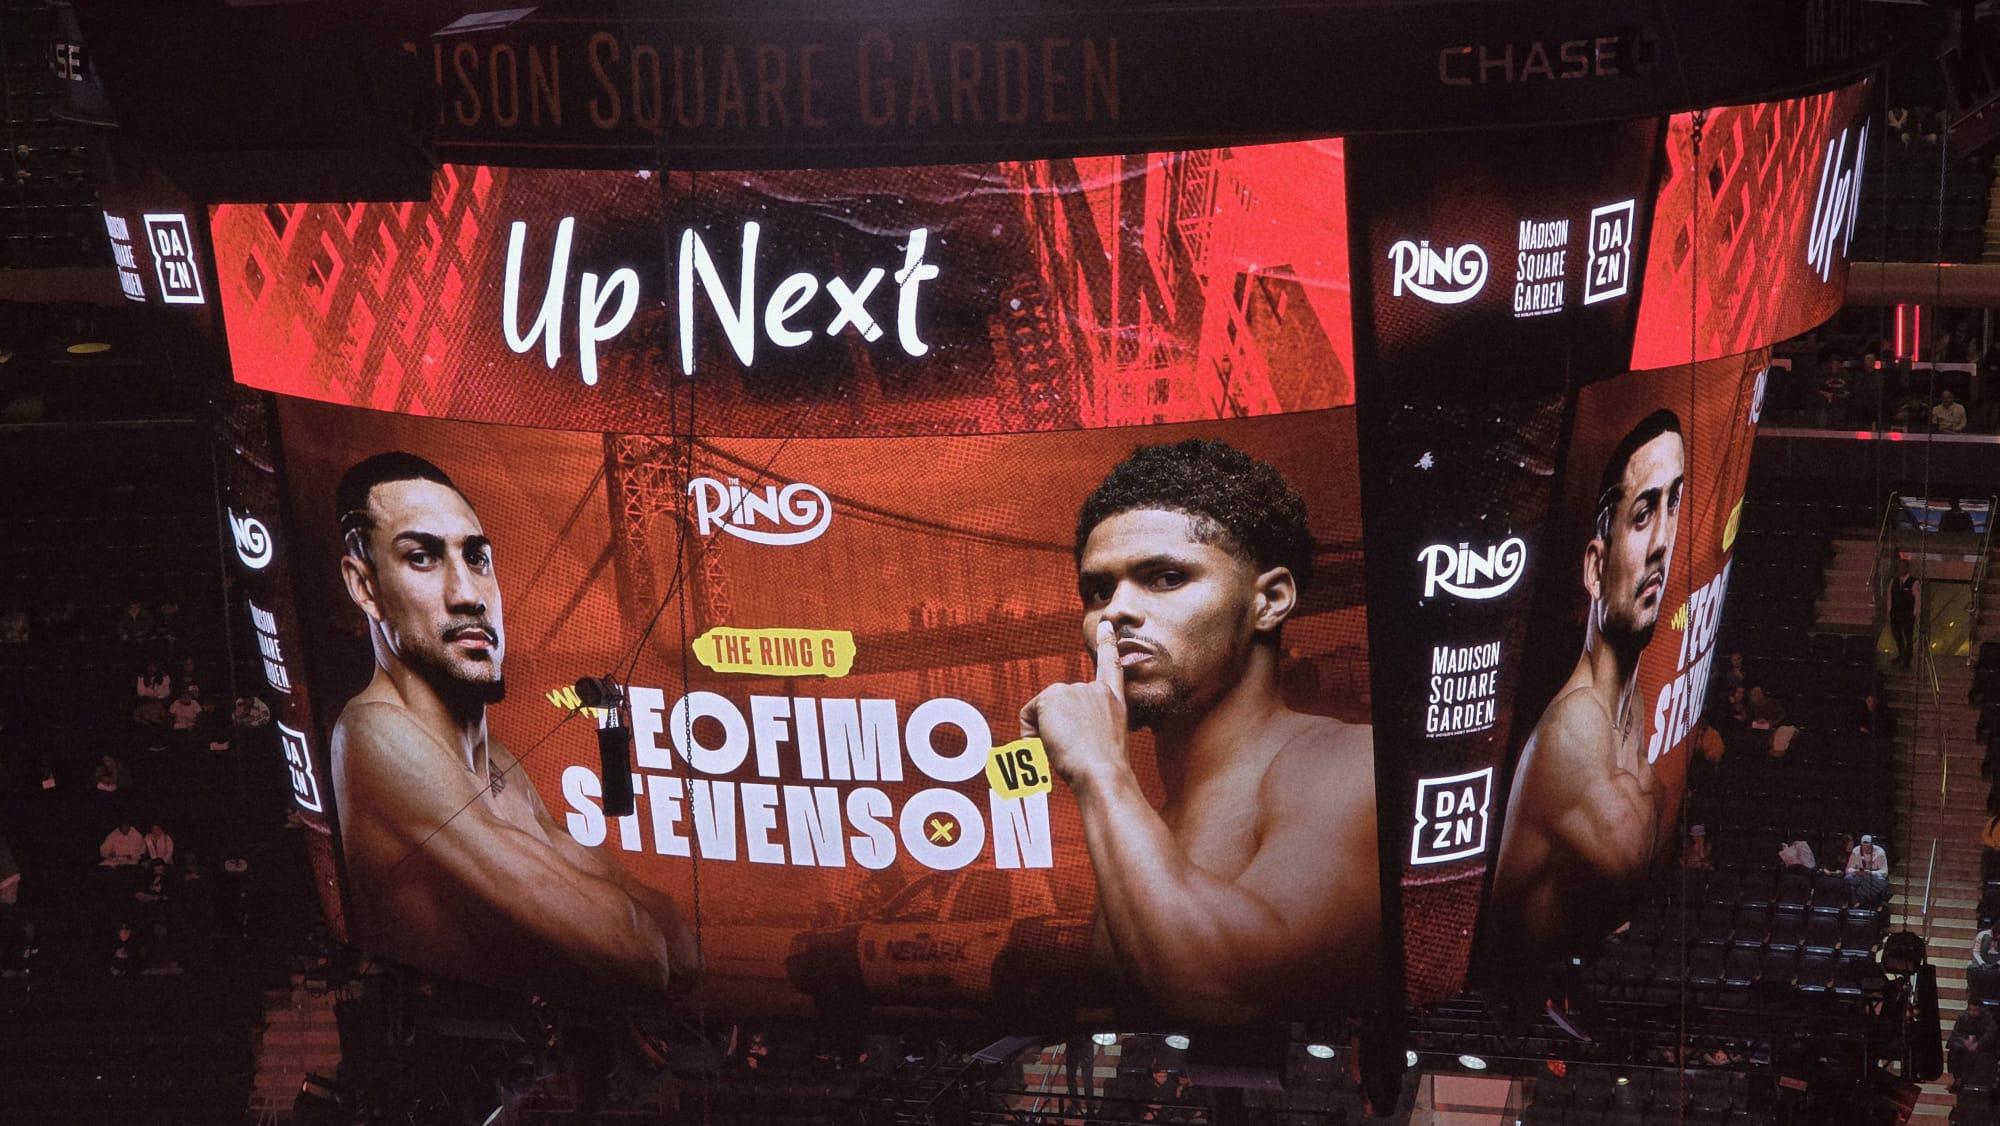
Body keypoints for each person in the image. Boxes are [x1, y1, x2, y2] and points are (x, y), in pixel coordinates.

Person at [1023, 439, 1379, 1023]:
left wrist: (1100, 771)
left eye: (1165, 577)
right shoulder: (1150, 816)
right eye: (1098, 591)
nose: (1115, 612)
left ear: (1269, 601)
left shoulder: (1342, 764)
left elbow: (1223, 989)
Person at [328, 452, 699, 1007]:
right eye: (423, 557)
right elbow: (636, 953)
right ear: (365, 586)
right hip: (446, 1051)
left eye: (477, 558)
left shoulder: (495, 762)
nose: (469, 595)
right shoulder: (375, 735)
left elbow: (676, 941)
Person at [1494, 410, 1685, 963]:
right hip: (1515, 996)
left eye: (1674, 505)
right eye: (1645, 513)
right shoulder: (1575, 723)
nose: (1663, 545)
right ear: (1595, 567)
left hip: (1565, 980)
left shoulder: (1632, 697)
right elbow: (1638, 860)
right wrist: (1650, 790)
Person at [1890, 558, 1919, 671]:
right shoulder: (1894, 581)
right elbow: (1890, 596)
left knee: (1908, 637)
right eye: (1899, 567)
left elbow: (1917, 599)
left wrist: (1915, 613)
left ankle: (1907, 659)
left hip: (1907, 615)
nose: (1900, 569)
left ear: (1906, 568)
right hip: (1896, 613)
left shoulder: (1914, 582)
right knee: (1897, 635)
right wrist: (1890, 610)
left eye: (1902, 567)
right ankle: (1901, 653)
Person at [1846, 834, 1891, 908]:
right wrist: (1856, 871)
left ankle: (1876, 905)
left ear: (1872, 845)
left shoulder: (1880, 852)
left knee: (1880, 882)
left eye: (1867, 846)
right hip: (1859, 875)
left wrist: (1871, 872)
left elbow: (1884, 873)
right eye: (1863, 846)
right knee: (1848, 879)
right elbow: (1848, 869)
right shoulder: (1856, 851)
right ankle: (1855, 903)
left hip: (1874, 876)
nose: (1865, 848)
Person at [1972, 927, 2000, 1004]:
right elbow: (1976, 952)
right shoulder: (1982, 935)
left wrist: (1997, 964)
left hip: (1997, 960)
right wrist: (1982, 963)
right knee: (1972, 969)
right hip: (1983, 959)